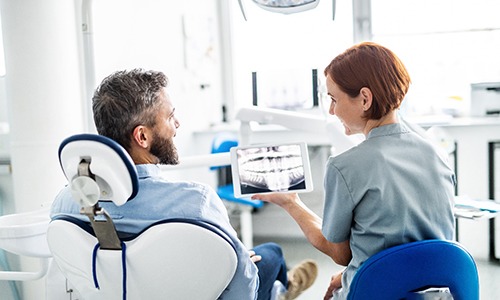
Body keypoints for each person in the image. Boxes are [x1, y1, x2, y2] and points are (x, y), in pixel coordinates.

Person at [50, 69, 318, 300]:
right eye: (170, 117)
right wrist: (238, 263)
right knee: (271, 254)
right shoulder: (197, 202)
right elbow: (241, 288)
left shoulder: (67, 203)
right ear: (142, 136)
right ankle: (280, 290)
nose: (177, 124)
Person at [251, 42, 456, 300]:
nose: (331, 110)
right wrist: (354, 273)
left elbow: (340, 253)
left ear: (365, 99)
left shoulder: (345, 166)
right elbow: (419, 246)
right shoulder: (437, 153)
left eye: (334, 99)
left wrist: (291, 203)